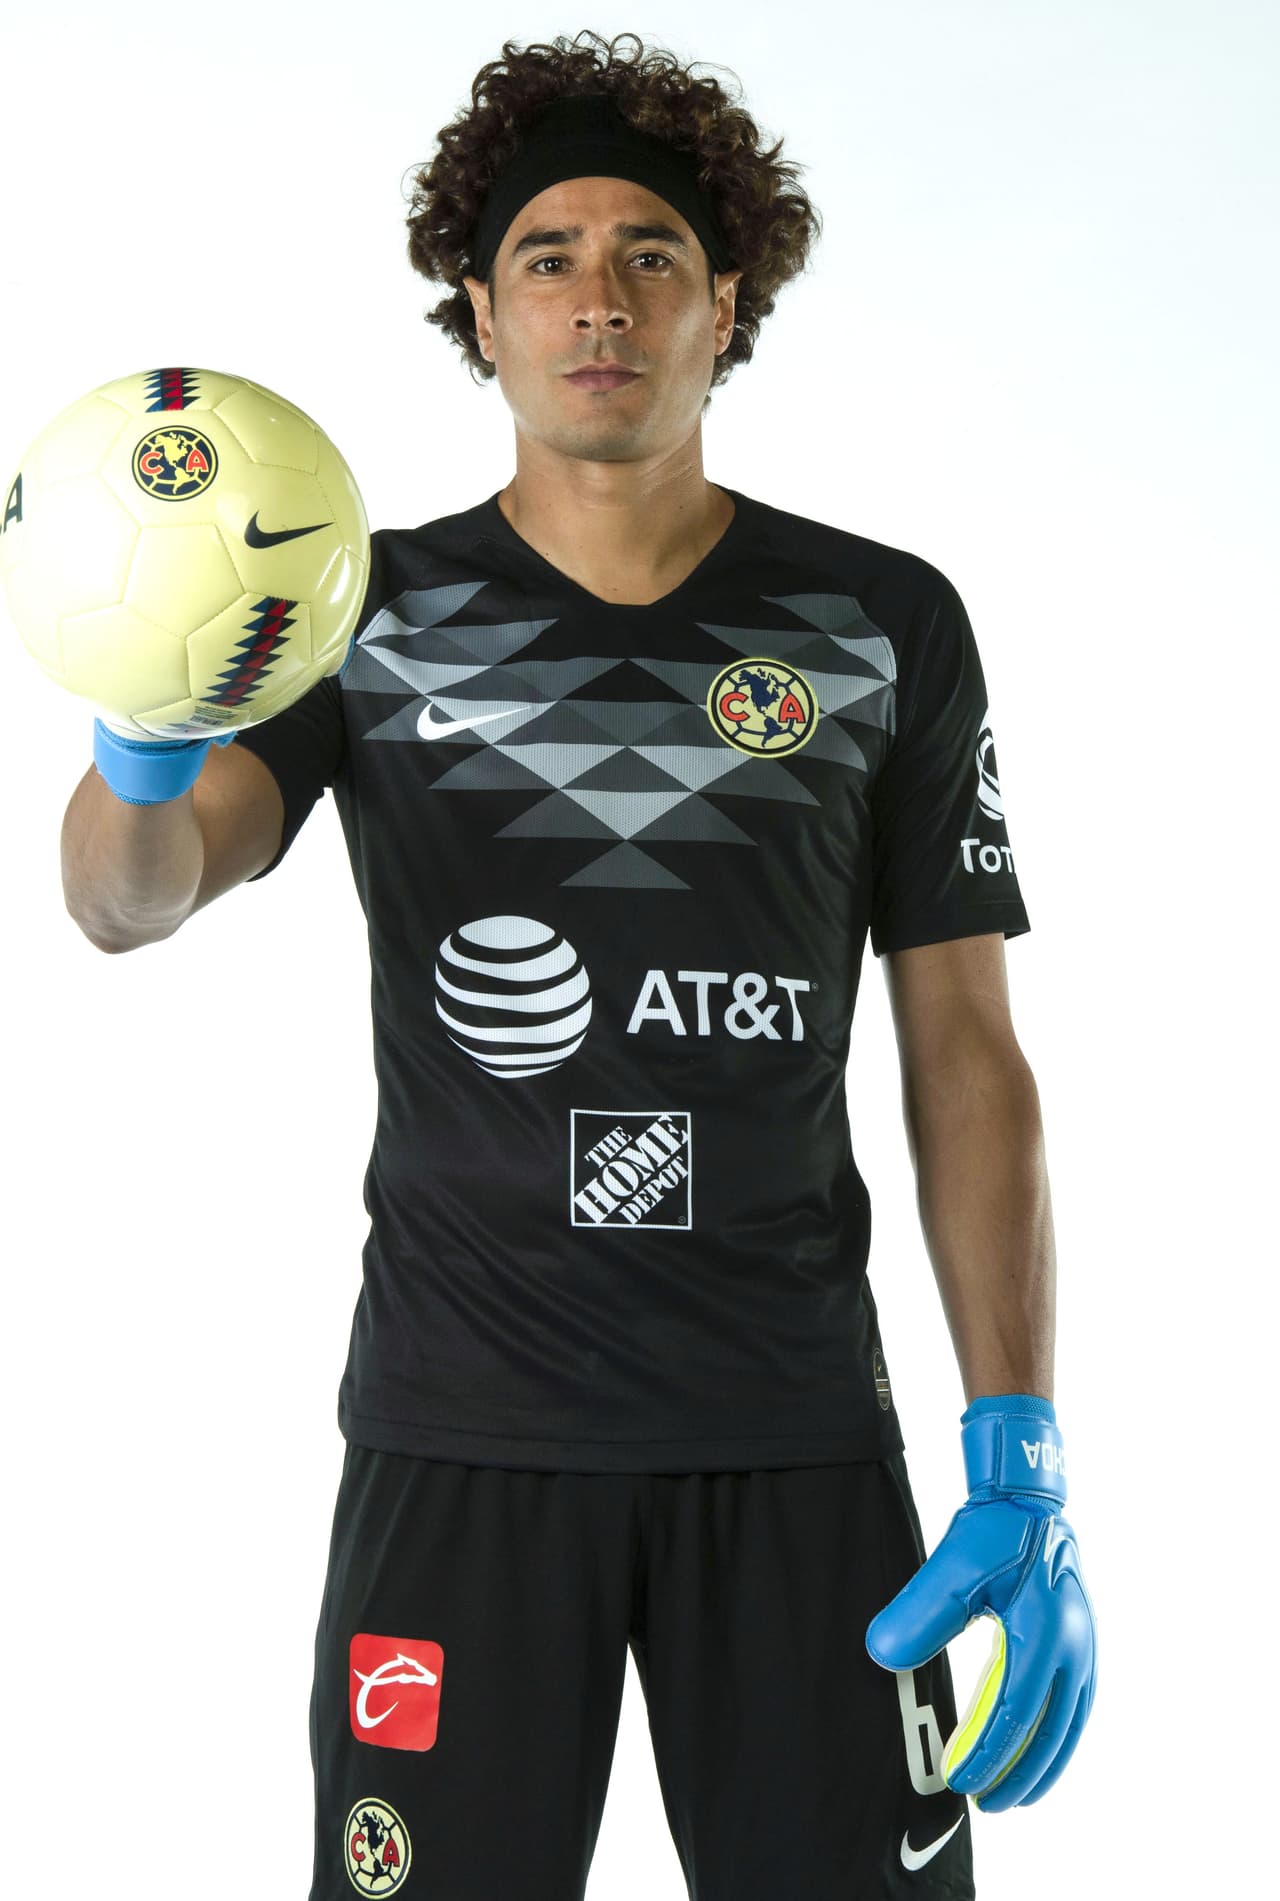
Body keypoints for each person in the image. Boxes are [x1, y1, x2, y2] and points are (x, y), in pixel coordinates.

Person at [62, 28, 1096, 1901]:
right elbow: (131, 901)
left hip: (792, 1444)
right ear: (479, 307)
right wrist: (141, 734)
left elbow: (969, 1049)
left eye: (652, 257)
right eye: (548, 256)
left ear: (728, 307)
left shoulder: (880, 624)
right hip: (463, 1438)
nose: (598, 299)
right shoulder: (354, 615)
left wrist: (1017, 1439)